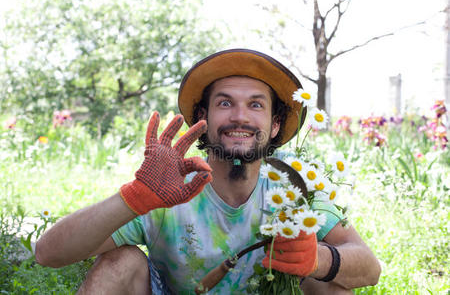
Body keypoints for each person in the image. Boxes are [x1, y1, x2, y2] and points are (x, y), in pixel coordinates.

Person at [35, 49, 381, 294]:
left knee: (329, 285)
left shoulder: (295, 186)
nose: (240, 117)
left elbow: (369, 267)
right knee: (120, 262)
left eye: (256, 105)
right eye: (225, 103)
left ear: (275, 124)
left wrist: (318, 259)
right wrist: (134, 198)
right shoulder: (169, 192)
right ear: (203, 118)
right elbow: (47, 253)